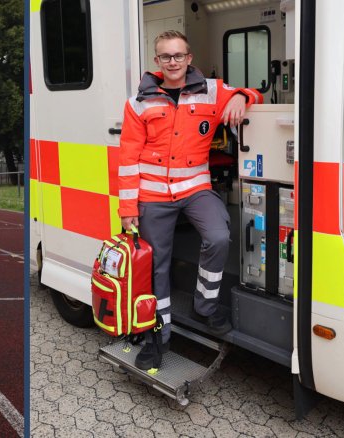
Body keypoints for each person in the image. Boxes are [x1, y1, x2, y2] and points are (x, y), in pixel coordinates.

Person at [118, 31, 262, 371]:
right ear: (157, 61)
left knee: (218, 237)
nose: (172, 62)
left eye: (178, 56)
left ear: (189, 58)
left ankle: (205, 307)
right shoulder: (138, 103)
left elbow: (255, 91)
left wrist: (242, 96)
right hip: (152, 196)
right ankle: (158, 335)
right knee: (157, 266)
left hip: (195, 189)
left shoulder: (211, 91)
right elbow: (126, 159)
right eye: (166, 57)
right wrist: (127, 210)